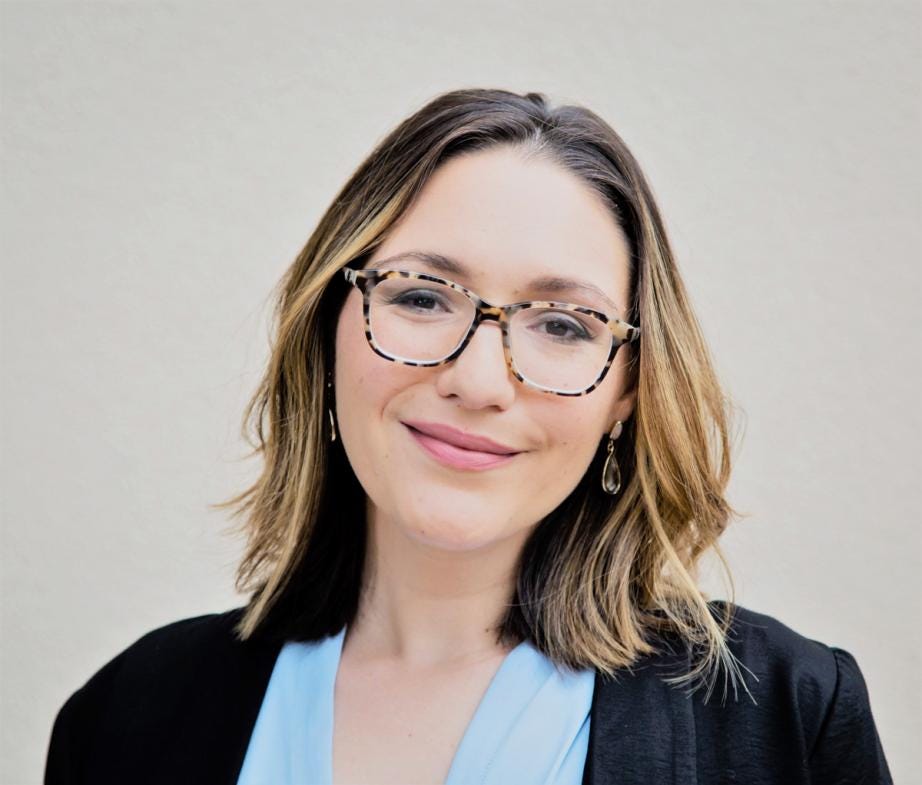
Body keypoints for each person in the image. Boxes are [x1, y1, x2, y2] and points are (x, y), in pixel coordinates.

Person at [43, 88, 892, 785]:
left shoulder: (792, 715)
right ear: (327, 330)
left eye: (563, 324)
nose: (480, 381)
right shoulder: (126, 716)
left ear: (627, 392)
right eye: (421, 297)